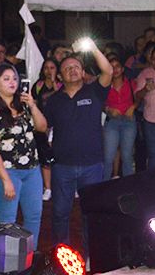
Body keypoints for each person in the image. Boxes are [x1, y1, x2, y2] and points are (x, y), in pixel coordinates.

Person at [44, 40, 113, 260]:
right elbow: (46, 128)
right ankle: (61, 258)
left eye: (76, 67)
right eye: (67, 68)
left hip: (92, 165)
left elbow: (108, 70)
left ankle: (92, 256)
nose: (72, 70)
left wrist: (92, 47)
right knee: (60, 215)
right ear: (60, 77)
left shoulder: (95, 92)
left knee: (89, 215)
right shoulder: (54, 100)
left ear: (83, 72)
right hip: (62, 166)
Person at [0, 64, 47, 242]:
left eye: (14, 78)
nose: (12, 82)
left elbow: (42, 127)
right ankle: (6, 264)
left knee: (34, 217)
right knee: (7, 221)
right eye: (6, 78)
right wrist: (6, 180)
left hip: (32, 169)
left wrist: (32, 105)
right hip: (7, 170)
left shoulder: (23, 104)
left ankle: (29, 258)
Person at [102, 56, 139, 180]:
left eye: (117, 66)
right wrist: (109, 109)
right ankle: (104, 186)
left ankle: (127, 186)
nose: (115, 69)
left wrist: (132, 107)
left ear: (123, 69)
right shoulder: (105, 85)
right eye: (111, 66)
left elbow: (138, 99)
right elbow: (100, 104)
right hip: (111, 121)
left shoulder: (130, 83)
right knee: (108, 157)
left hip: (128, 121)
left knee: (127, 156)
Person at [33, 58, 61, 200]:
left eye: (52, 67)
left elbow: (61, 99)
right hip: (42, 126)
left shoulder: (63, 85)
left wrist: (55, 82)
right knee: (44, 157)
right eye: (46, 68)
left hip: (60, 125)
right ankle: (48, 188)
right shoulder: (38, 85)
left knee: (60, 157)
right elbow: (33, 105)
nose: (49, 71)